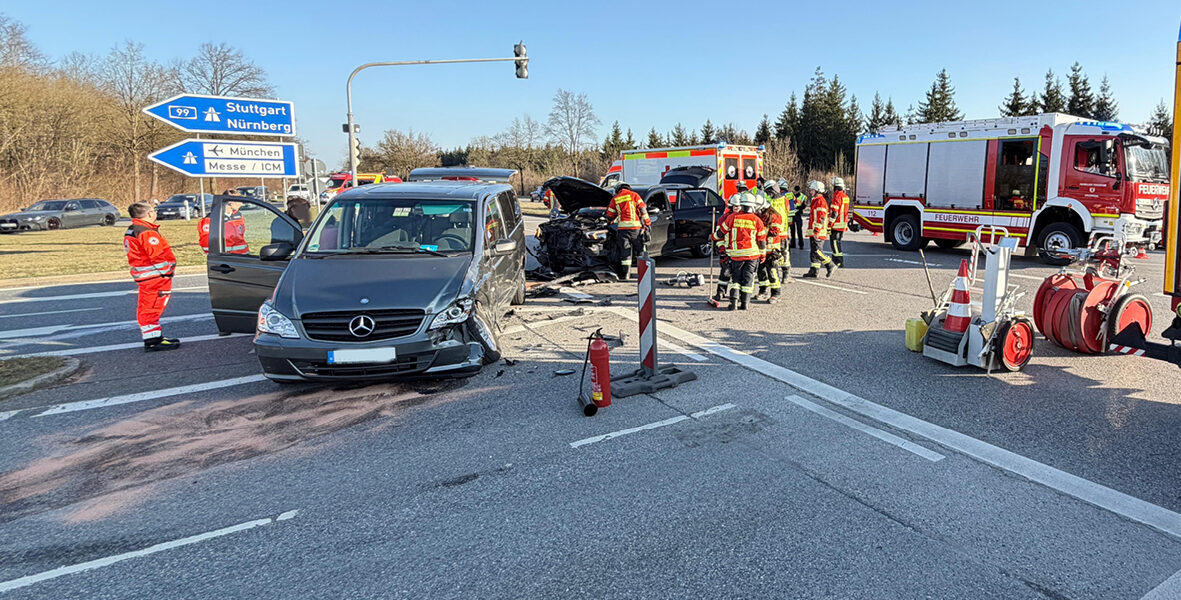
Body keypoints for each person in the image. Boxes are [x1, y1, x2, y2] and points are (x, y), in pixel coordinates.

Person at [124, 202, 180, 351]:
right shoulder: (146, 232)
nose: (155, 213)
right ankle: (153, 341)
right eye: (153, 210)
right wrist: (167, 272)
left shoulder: (133, 229)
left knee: (147, 307)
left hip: (148, 277)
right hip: (155, 278)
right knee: (152, 308)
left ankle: (154, 337)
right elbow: (156, 256)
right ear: (149, 214)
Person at [712, 190, 767, 310]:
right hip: (752, 256)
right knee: (748, 279)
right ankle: (745, 303)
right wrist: (763, 255)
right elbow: (762, 240)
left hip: (736, 255)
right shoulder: (757, 220)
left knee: (735, 279)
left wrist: (713, 237)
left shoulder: (732, 218)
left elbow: (721, 233)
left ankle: (733, 303)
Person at [605, 182, 650, 280]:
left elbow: (610, 215)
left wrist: (607, 222)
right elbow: (643, 210)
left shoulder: (615, 198)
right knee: (641, 250)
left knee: (625, 252)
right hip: (636, 229)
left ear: (618, 189)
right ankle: (644, 274)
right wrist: (647, 223)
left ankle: (626, 275)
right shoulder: (634, 195)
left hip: (622, 230)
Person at [711, 193, 742, 305]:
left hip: (739, 252)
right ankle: (720, 292)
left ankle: (736, 295)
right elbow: (719, 236)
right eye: (735, 206)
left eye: (738, 206)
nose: (736, 209)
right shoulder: (724, 219)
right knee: (725, 273)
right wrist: (722, 250)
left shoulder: (745, 218)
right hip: (727, 250)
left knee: (738, 275)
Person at [198, 189, 249, 255]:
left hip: (243, 257)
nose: (241, 204)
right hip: (226, 259)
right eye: (239, 201)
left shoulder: (239, 216)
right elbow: (207, 243)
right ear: (230, 202)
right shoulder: (211, 219)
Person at [803, 180, 835, 278]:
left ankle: (830, 264)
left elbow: (821, 217)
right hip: (815, 230)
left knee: (817, 251)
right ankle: (814, 271)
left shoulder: (820, 201)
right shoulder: (816, 200)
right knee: (813, 252)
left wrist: (816, 231)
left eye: (812, 190)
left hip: (819, 231)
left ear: (817, 190)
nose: (810, 192)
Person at [756, 194, 785, 303]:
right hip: (761, 249)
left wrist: (762, 234)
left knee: (772, 271)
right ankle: (763, 291)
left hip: (772, 248)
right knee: (761, 271)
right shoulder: (759, 216)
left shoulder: (774, 216)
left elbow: (774, 232)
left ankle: (776, 293)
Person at [828, 177, 851, 267]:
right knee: (837, 242)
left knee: (835, 243)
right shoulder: (845, 197)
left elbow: (835, 212)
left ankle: (838, 261)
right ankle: (837, 260)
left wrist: (830, 224)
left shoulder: (837, 196)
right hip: (842, 224)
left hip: (836, 225)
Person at [789, 185, 806, 249]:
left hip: (798, 214)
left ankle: (801, 245)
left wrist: (799, 207)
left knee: (799, 230)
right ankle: (793, 244)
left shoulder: (803, 197)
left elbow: (804, 205)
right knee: (792, 231)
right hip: (792, 215)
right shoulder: (791, 196)